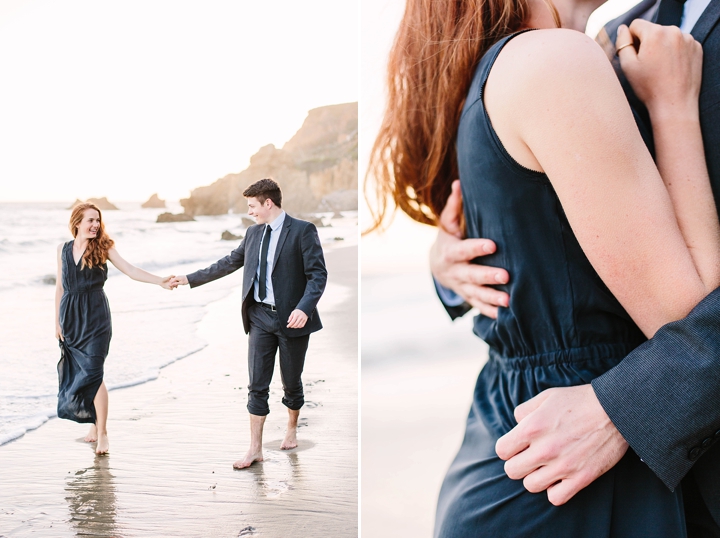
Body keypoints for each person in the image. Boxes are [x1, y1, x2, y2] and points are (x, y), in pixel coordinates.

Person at [369, 0, 720, 535]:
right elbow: (685, 323)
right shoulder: (563, 57)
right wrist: (673, 108)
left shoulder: (543, 56)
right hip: (558, 477)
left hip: (519, 453)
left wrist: (446, 265)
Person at [169, 178, 327, 470]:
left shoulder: (303, 231)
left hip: (292, 320)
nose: (250, 212)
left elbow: (318, 275)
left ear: (268, 203)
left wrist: (304, 308)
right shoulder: (253, 234)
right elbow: (227, 263)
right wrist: (189, 278)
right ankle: (255, 448)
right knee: (257, 385)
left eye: (253, 206)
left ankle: (291, 428)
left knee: (291, 383)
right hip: (259, 318)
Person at [56, 202, 174, 455]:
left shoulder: (104, 247)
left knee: (94, 372)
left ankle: (103, 433)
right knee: (81, 373)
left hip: (96, 317)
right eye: (90, 220)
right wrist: (56, 321)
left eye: (97, 220)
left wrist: (159, 281)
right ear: (77, 222)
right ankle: (93, 423)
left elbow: (131, 270)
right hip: (71, 318)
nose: (95, 225)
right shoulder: (62, 250)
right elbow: (60, 287)